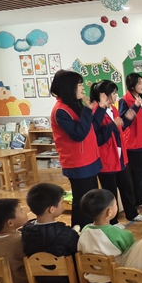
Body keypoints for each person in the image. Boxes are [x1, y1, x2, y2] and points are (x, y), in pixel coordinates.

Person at [50, 70, 103, 228]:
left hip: (90, 159)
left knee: (91, 200)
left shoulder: (75, 105)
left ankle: (92, 229)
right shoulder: (61, 110)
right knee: (82, 202)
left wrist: (99, 108)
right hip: (78, 164)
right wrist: (87, 110)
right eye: (79, 84)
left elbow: (92, 126)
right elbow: (78, 134)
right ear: (69, 87)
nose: (82, 88)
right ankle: (79, 232)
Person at [90, 81, 142, 224]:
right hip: (107, 159)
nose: (116, 96)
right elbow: (98, 138)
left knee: (126, 187)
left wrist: (131, 114)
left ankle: (131, 213)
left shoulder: (113, 109)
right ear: (104, 95)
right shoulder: (96, 111)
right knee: (110, 192)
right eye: (113, 93)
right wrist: (113, 125)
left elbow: (121, 126)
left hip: (120, 156)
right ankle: (113, 222)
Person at [21, 183, 79, 283]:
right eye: (62, 202)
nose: (63, 205)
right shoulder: (67, 233)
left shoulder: (25, 230)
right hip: (68, 281)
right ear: (52, 209)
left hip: (40, 280)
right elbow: (77, 253)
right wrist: (75, 233)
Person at [78, 189, 135, 283]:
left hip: (92, 280)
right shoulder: (121, 234)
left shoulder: (84, 230)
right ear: (109, 211)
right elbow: (132, 256)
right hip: (116, 281)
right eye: (115, 204)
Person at [119, 73, 142, 208]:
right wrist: (134, 106)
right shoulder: (125, 100)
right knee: (139, 173)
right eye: (139, 83)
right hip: (134, 144)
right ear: (132, 85)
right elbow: (124, 122)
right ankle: (141, 200)